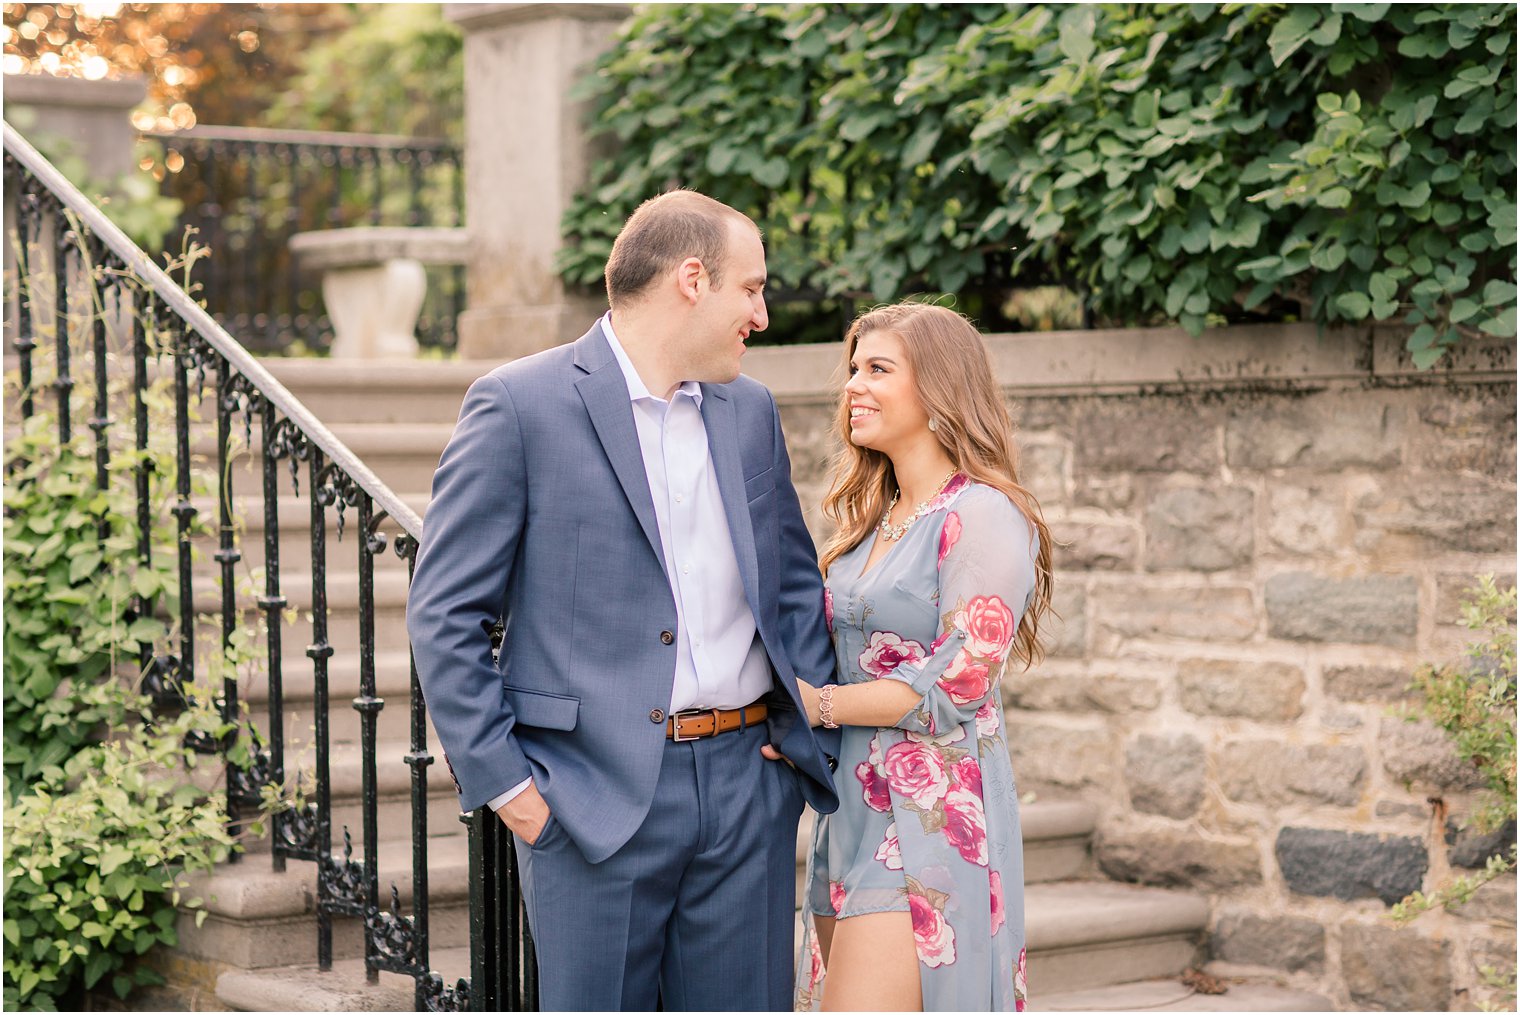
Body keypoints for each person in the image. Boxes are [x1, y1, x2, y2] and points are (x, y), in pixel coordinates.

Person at [405, 190, 839, 1012]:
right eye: (750, 288)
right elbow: (444, 611)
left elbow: (789, 582)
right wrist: (513, 791)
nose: (762, 313)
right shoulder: (519, 405)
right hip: (589, 800)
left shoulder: (749, 410)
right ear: (691, 279)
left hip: (749, 788)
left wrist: (801, 730)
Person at [792, 301, 1053, 1012]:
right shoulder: (868, 521)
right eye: (852, 368)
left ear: (939, 388)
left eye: (878, 368)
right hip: (846, 810)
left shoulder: (983, 514)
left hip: (927, 816)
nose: (854, 385)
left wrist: (812, 705)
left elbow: (958, 682)